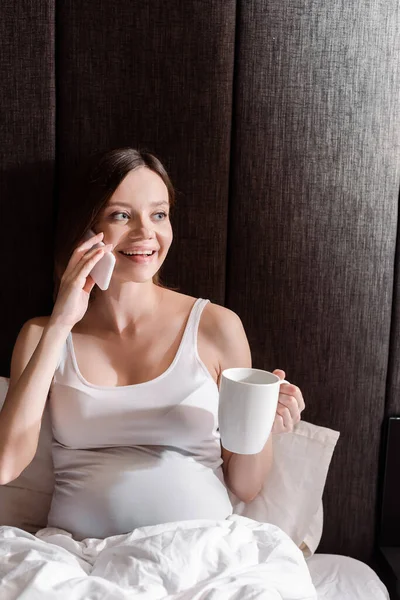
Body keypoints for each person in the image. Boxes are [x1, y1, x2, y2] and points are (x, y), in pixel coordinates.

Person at [0, 148, 305, 540]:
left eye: (158, 214)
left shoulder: (217, 327)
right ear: (86, 229)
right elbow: (6, 463)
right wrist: (62, 320)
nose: (146, 233)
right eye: (121, 215)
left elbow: (245, 486)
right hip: (79, 559)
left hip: (201, 552)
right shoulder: (43, 335)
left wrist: (265, 425)